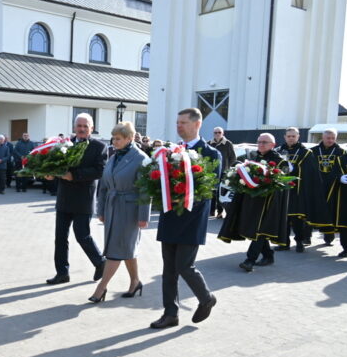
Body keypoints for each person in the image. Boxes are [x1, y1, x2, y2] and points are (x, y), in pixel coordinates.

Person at [151, 108, 221, 329]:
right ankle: (170, 313)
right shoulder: (171, 151)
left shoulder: (210, 153)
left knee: (184, 265)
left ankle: (206, 298)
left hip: (192, 218)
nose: (178, 126)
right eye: (177, 122)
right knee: (168, 269)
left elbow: (210, 187)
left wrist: (184, 197)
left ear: (197, 124)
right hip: (170, 216)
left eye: (183, 122)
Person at [89, 122, 150, 302]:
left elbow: (145, 190)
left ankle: (101, 288)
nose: (114, 141)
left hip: (130, 209)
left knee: (115, 250)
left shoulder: (141, 158)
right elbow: (104, 186)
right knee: (126, 248)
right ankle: (135, 281)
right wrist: (100, 209)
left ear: (129, 138)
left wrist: (143, 217)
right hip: (112, 207)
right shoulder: (114, 157)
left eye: (118, 138)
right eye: (113, 138)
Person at [45, 113, 108, 285]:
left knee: (82, 235)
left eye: (85, 126)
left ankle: (100, 262)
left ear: (92, 128)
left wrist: (74, 175)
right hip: (64, 197)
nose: (81, 129)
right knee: (60, 237)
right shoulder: (65, 144)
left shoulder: (99, 147)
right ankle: (62, 273)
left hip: (83, 198)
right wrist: (51, 174)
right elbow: (59, 166)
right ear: (74, 127)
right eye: (79, 126)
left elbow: (99, 171)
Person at [219, 133, 289, 272]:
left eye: (265, 142)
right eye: (259, 141)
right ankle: (268, 255)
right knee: (257, 229)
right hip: (251, 200)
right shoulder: (252, 157)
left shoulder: (280, 161)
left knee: (261, 230)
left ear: (272, 145)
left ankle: (250, 260)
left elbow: (280, 181)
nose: (261, 144)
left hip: (268, 203)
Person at [274, 127, 332, 252]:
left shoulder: (305, 152)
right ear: (285, 137)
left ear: (298, 137)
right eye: (289, 136)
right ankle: (284, 243)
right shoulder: (278, 151)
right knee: (283, 219)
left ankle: (299, 241)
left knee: (297, 219)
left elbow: (310, 172)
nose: (291, 138)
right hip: (282, 189)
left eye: (293, 136)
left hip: (298, 191)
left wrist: (293, 169)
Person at [308, 129, 346, 246]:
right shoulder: (312, 151)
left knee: (330, 211)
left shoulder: (341, 152)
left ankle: (329, 235)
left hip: (333, 186)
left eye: (332, 138)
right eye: (328, 138)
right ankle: (306, 236)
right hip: (315, 185)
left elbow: (343, 168)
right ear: (322, 138)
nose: (330, 140)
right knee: (311, 210)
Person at [208, 126, 236, 218]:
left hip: (223, 172)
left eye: (219, 132)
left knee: (220, 193)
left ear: (222, 133)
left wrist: (227, 168)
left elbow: (233, 158)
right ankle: (211, 211)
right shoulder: (209, 143)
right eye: (215, 132)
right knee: (211, 192)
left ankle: (220, 212)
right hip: (212, 172)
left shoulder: (228, 143)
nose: (217, 134)